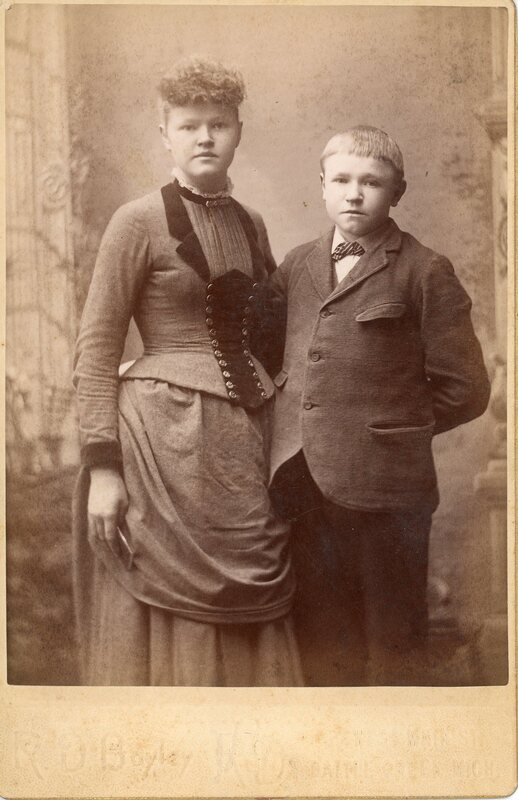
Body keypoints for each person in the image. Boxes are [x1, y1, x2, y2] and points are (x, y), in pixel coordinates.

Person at [72, 57, 302, 686]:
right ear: (166, 134)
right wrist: (102, 470)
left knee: (250, 594)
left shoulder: (250, 224)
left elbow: (274, 333)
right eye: (190, 125)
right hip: (158, 441)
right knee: (167, 594)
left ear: (238, 132)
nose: (205, 137)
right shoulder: (136, 221)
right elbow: (96, 348)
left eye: (219, 125)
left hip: (243, 443)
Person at [268, 125, 490, 685]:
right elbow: (273, 356)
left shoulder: (423, 270)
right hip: (304, 483)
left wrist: (395, 429)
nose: (354, 193)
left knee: (392, 646)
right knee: (320, 641)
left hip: (389, 493)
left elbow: (466, 388)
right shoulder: (296, 264)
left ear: (398, 193)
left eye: (372, 182)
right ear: (321, 186)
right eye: (341, 179)